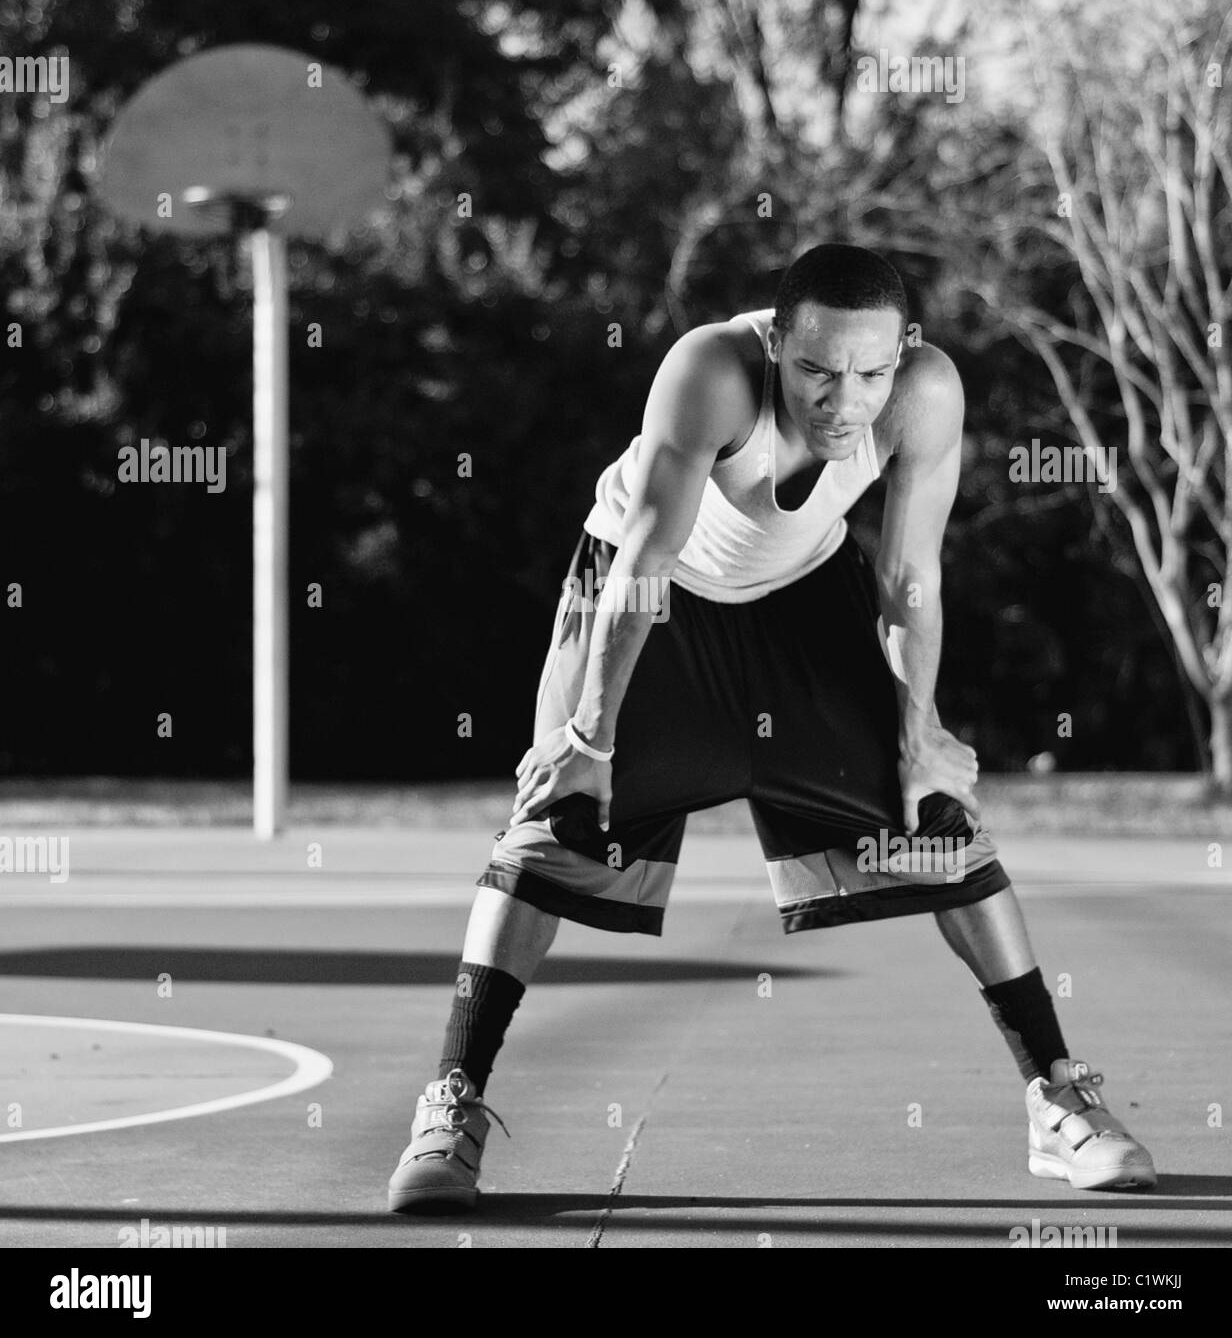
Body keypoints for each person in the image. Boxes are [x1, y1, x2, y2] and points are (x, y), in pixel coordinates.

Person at [387, 243, 1155, 1212]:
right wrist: (587, 740)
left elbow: (908, 575)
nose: (845, 401)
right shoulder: (707, 371)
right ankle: (451, 1104)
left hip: (799, 596)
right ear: (774, 343)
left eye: (869, 373)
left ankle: (1055, 1095)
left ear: (902, 352)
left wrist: (918, 731)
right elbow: (645, 559)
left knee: (936, 824)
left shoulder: (922, 393)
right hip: (647, 597)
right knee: (551, 829)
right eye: (816, 372)